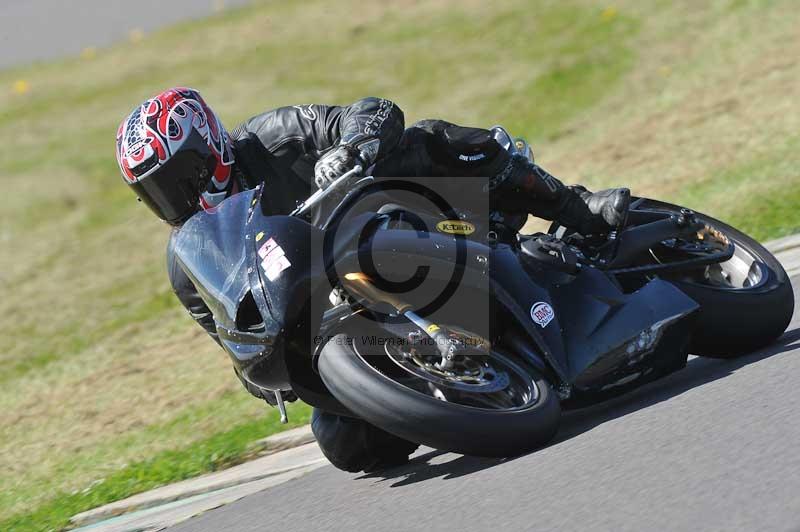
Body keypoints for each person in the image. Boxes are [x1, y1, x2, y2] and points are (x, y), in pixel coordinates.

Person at [115, 87, 629, 472]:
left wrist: (352, 146)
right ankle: (461, 385)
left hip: (387, 225)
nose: (173, 200)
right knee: (343, 444)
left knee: (428, 139)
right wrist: (258, 369)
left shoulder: (274, 136)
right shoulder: (189, 258)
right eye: (155, 192)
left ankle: (577, 206)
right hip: (331, 316)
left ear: (209, 149)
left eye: (177, 179)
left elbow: (372, 111)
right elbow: (225, 333)